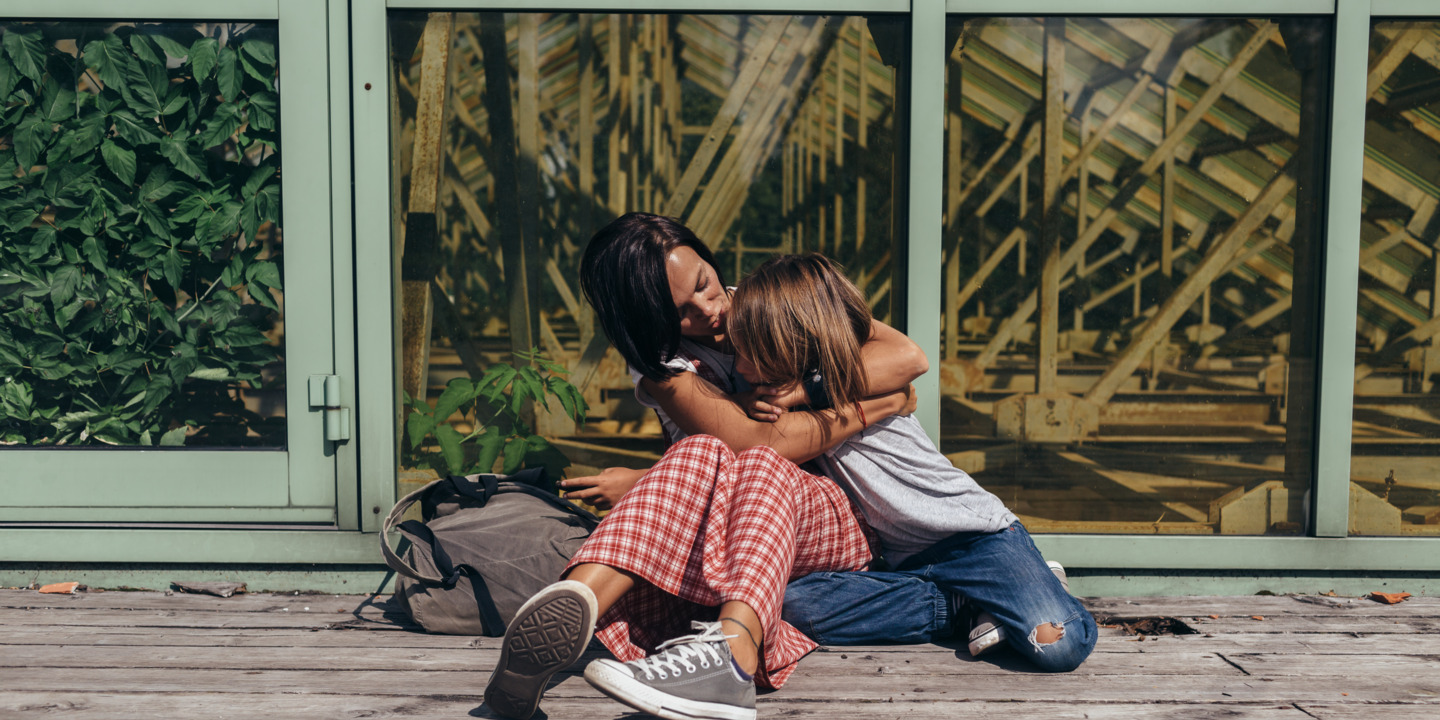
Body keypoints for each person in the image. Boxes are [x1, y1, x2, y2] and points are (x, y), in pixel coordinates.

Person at [483, 213, 925, 720]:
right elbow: (746, 438)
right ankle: (575, 603)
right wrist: (872, 404)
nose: (709, 310)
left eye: (705, 284)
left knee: (752, 461)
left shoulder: (771, 302)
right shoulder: (664, 367)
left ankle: (732, 660)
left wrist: (809, 391)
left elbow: (907, 357)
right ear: (648, 324)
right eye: (680, 313)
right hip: (738, 534)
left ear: (710, 260)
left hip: (828, 518)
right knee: (703, 451)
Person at [727, 253, 1096, 674]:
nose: (739, 367)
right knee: (793, 605)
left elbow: (905, 357)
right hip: (902, 563)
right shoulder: (772, 398)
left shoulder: (856, 378)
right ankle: (966, 605)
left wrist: (804, 392)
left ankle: (1019, 590)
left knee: (1058, 644)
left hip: (976, 538)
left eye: (749, 354)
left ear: (789, 343)